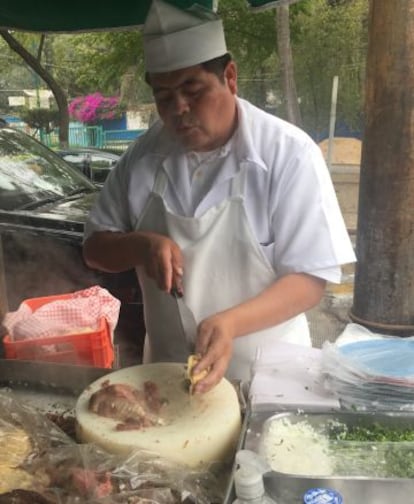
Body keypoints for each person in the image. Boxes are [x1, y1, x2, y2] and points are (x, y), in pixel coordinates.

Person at [83, 0, 356, 393]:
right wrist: (139, 246)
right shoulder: (141, 159)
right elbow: (95, 248)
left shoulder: (288, 154)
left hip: (269, 382)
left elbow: (310, 279)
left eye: (192, 90)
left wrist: (229, 323)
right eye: (163, 96)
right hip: (168, 380)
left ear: (229, 77)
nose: (178, 108)